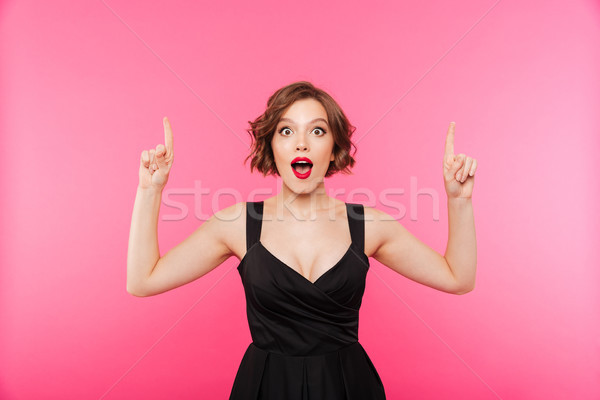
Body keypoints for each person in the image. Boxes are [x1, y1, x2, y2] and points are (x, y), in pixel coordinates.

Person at [127, 81, 478, 399]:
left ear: (335, 145)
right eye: (286, 130)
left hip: (349, 388)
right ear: (271, 144)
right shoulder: (236, 224)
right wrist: (150, 190)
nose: (301, 143)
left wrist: (459, 201)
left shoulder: (368, 225)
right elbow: (143, 280)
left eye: (317, 130)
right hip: (264, 388)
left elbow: (457, 278)